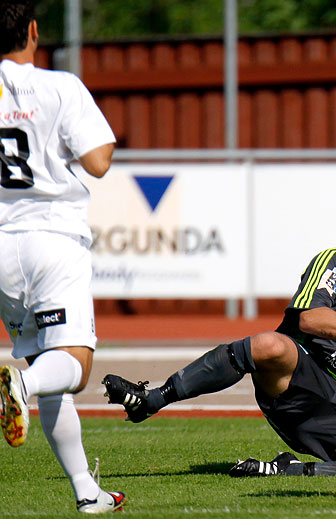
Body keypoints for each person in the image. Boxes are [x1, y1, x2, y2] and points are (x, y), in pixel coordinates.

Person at [103, 187, 336, 479]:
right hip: (298, 384)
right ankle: (151, 399)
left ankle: (294, 470)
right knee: (269, 342)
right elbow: (308, 320)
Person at [0, 1, 126, 513]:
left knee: (52, 370)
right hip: (51, 239)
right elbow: (98, 161)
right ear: (32, 30)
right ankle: (19, 384)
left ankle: (86, 493)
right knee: (73, 366)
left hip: (1, 248)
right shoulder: (59, 86)